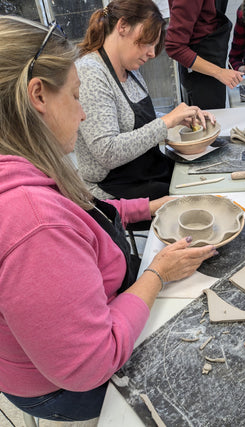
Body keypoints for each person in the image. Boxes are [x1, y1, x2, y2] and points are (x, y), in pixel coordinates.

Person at [0, 15, 217, 421]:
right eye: (76, 97)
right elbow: (90, 364)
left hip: (77, 337)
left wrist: (149, 207)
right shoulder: (33, 225)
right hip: (62, 390)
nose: (82, 115)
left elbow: (86, 211)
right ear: (39, 96)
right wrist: (157, 275)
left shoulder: (25, 168)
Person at [75, 0, 214, 201]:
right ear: (122, 26)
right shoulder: (90, 72)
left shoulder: (130, 69)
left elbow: (135, 121)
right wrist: (166, 122)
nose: (151, 53)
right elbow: (107, 152)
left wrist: (179, 118)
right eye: (148, 42)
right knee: (193, 198)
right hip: (114, 186)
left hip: (144, 170)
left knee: (201, 175)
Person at [165, 0, 244, 110]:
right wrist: (219, 72)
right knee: (207, 123)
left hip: (213, 56)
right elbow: (174, 46)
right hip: (199, 71)